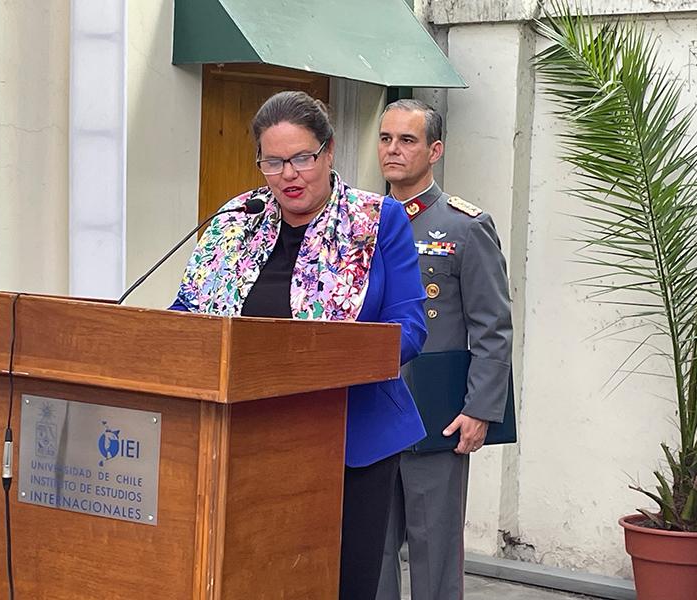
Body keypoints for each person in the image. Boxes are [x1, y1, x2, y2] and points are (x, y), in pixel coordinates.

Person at [170, 90, 428, 600]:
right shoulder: (234, 222)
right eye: (273, 162)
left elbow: (410, 326)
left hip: (352, 439)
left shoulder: (376, 221)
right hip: (247, 439)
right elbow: (186, 314)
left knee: (339, 585)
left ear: (328, 152)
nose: (289, 174)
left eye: (302, 158)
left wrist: (322, 360)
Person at [375, 99, 513, 600]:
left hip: (436, 414)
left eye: (407, 140)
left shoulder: (465, 227)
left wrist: (479, 410)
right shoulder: (361, 223)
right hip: (369, 408)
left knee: (434, 553)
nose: (393, 150)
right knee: (371, 550)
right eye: (386, 138)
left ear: (435, 150)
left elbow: (492, 326)